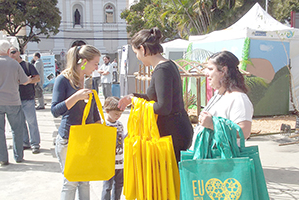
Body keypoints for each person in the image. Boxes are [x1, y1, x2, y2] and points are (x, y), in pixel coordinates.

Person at [118, 27, 193, 162]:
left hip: (173, 133)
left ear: (142, 49)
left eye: (136, 53)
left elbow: (163, 107)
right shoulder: (167, 66)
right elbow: (155, 97)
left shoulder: (162, 70)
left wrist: (138, 104)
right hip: (176, 129)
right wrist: (133, 97)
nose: (138, 58)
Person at [51, 45, 101, 200]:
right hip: (68, 139)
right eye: (95, 63)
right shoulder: (63, 80)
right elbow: (55, 110)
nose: (97, 67)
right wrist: (76, 97)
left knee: (85, 180)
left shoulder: (88, 81)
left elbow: (93, 109)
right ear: (84, 62)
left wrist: (99, 127)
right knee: (71, 181)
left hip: (86, 138)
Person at [197, 50, 253, 141]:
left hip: (224, 155)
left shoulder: (238, 98)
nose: (206, 73)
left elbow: (244, 132)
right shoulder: (218, 94)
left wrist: (212, 124)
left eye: (211, 69)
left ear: (223, 71)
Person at [0, 40, 32, 166]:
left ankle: (2, 158)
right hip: (13, 101)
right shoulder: (14, 64)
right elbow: (24, 81)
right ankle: (18, 156)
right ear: (8, 51)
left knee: (0, 131)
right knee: (17, 130)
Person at [9, 46, 41, 154]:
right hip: (15, 99)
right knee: (20, 123)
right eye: (10, 52)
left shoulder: (27, 65)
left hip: (27, 98)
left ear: (18, 52)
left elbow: (37, 78)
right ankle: (25, 142)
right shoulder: (10, 66)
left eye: (13, 52)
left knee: (31, 122)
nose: (12, 54)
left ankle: (35, 144)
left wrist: (28, 80)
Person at [101, 96, 125, 200]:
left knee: (119, 185)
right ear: (107, 111)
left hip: (120, 161)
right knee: (107, 186)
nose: (118, 116)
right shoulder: (104, 125)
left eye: (120, 114)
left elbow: (122, 138)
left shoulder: (119, 124)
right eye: (116, 114)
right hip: (108, 162)